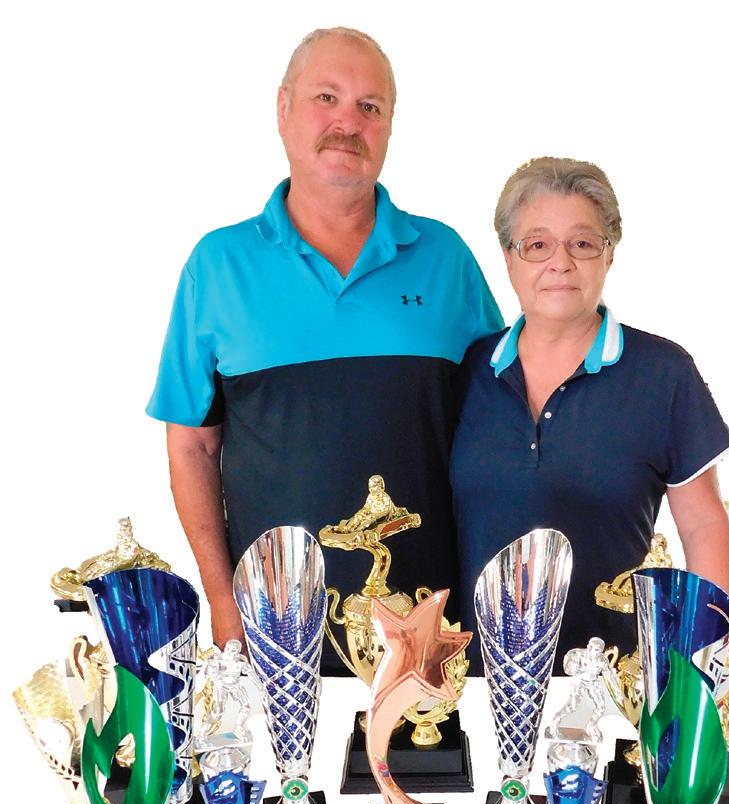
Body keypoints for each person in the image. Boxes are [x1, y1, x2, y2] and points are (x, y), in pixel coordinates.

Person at [146, 27, 502, 666]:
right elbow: (192, 446)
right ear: (282, 109)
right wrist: (224, 604)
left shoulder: (445, 260)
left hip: (434, 635)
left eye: (370, 106)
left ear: (389, 127)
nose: (348, 122)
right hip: (275, 634)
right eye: (326, 98)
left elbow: (500, 434)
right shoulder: (218, 265)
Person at [450, 156, 729, 671]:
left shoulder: (662, 372)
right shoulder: (469, 370)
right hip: (476, 681)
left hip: (615, 680)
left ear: (609, 253)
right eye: (537, 245)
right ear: (508, 258)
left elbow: (702, 523)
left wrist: (721, 654)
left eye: (582, 243)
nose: (560, 262)